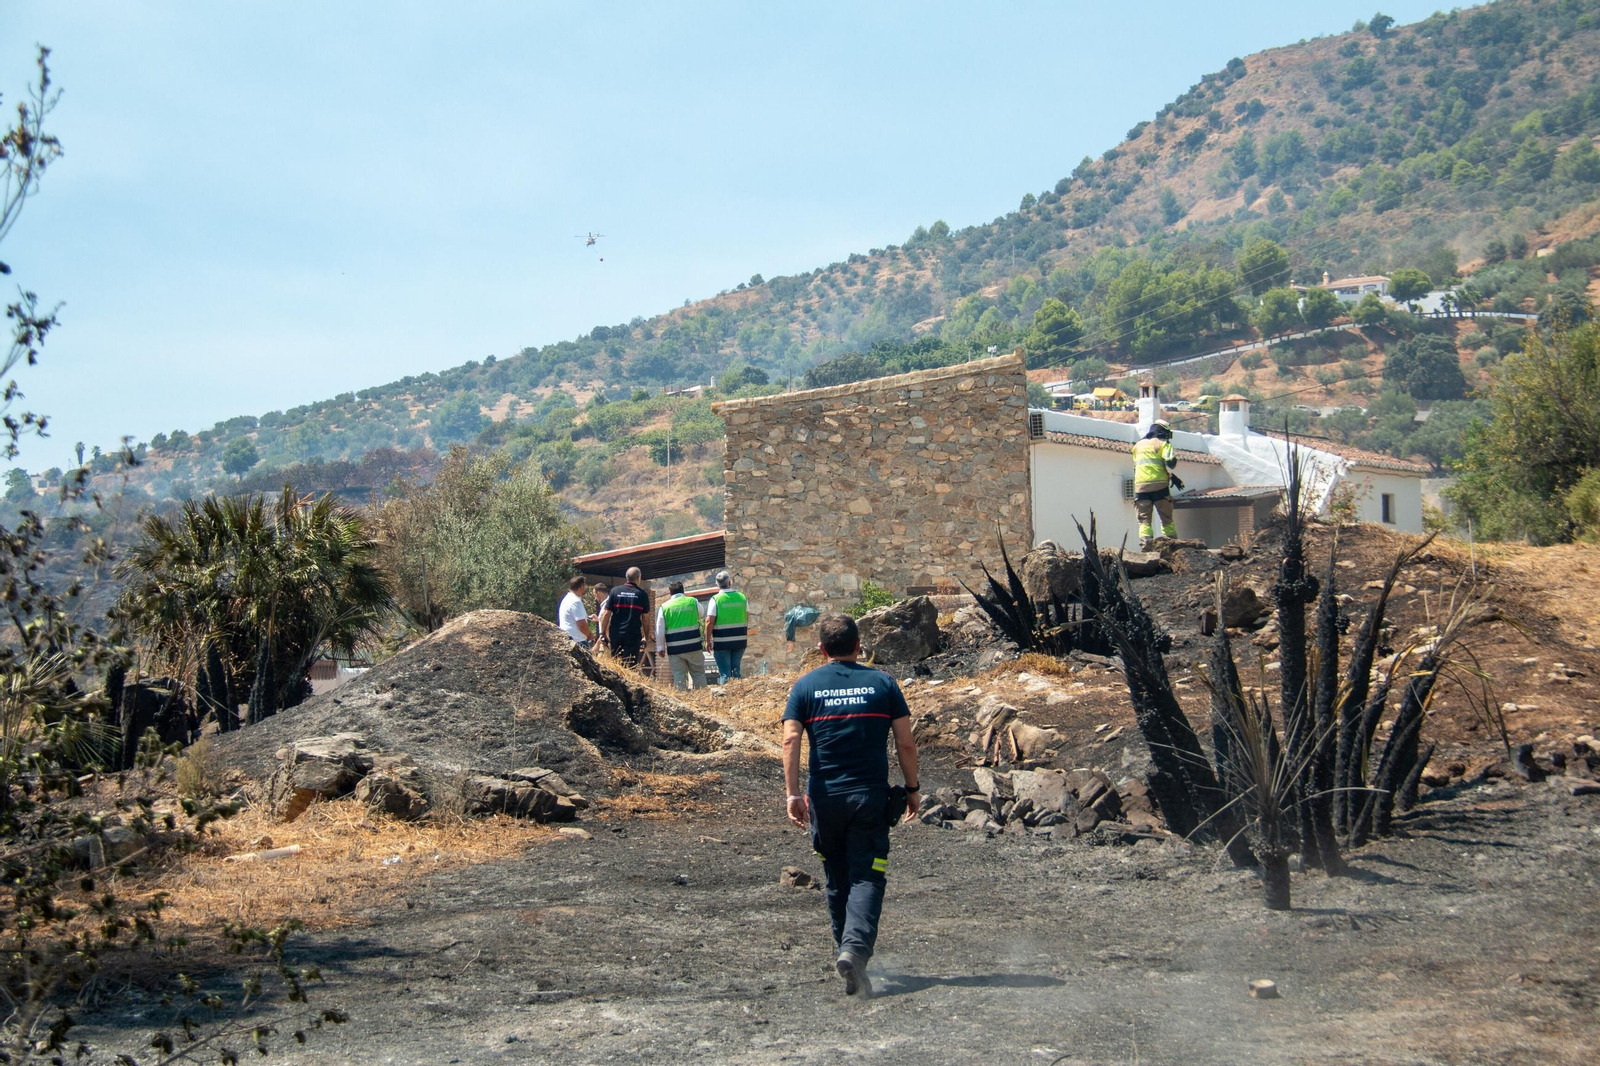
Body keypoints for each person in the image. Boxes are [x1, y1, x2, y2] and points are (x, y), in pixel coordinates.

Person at [782, 613, 920, 998]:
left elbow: (791, 741)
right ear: (860, 647)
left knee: (837, 878)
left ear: (822, 650)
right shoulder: (883, 683)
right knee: (867, 877)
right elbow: (906, 743)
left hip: (824, 799)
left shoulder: (805, 686)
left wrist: (793, 794)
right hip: (869, 799)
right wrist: (912, 788)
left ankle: (846, 951)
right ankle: (854, 950)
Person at [1131, 418, 1184, 550]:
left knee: (1144, 521)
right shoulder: (1163, 444)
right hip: (1160, 487)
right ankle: (1171, 545)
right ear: (1163, 432)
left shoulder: (1138, 445)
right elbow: (1170, 463)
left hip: (1141, 487)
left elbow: (1141, 466)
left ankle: (1146, 546)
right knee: (1166, 518)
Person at [655, 580, 706, 690]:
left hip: (675, 649)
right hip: (694, 646)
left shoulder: (664, 607)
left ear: (670, 593)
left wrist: (660, 647)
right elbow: (701, 614)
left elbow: (659, 629)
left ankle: (684, 702)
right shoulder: (693, 601)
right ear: (683, 591)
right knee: (698, 674)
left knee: (679, 676)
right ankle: (703, 698)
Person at [599, 567, 649, 668]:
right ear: (638, 578)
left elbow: (606, 613)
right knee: (630, 666)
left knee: (616, 664)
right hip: (633, 635)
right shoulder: (642, 595)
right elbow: (646, 619)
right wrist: (646, 637)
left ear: (626, 577)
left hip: (616, 634)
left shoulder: (615, 591)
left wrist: (602, 632)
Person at [703, 570, 747, 684]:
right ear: (730, 582)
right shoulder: (742, 597)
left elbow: (709, 621)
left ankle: (728, 698)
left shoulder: (715, 600)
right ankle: (738, 696)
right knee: (736, 670)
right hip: (740, 641)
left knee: (725, 673)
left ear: (717, 585)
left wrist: (707, 641)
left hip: (722, 642)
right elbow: (746, 616)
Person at [556, 575, 593, 647]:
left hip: (568, 638)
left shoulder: (567, 599)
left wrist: (588, 617)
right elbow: (581, 624)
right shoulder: (575, 601)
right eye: (585, 585)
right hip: (577, 640)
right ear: (582, 586)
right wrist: (590, 635)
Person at [591, 582, 611, 652]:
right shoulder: (607, 604)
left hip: (606, 644)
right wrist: (598, 619)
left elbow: (607, 627)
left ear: (599, 593)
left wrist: (596, 646)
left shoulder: (607, 606)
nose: (595, 598)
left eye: (595, 595)